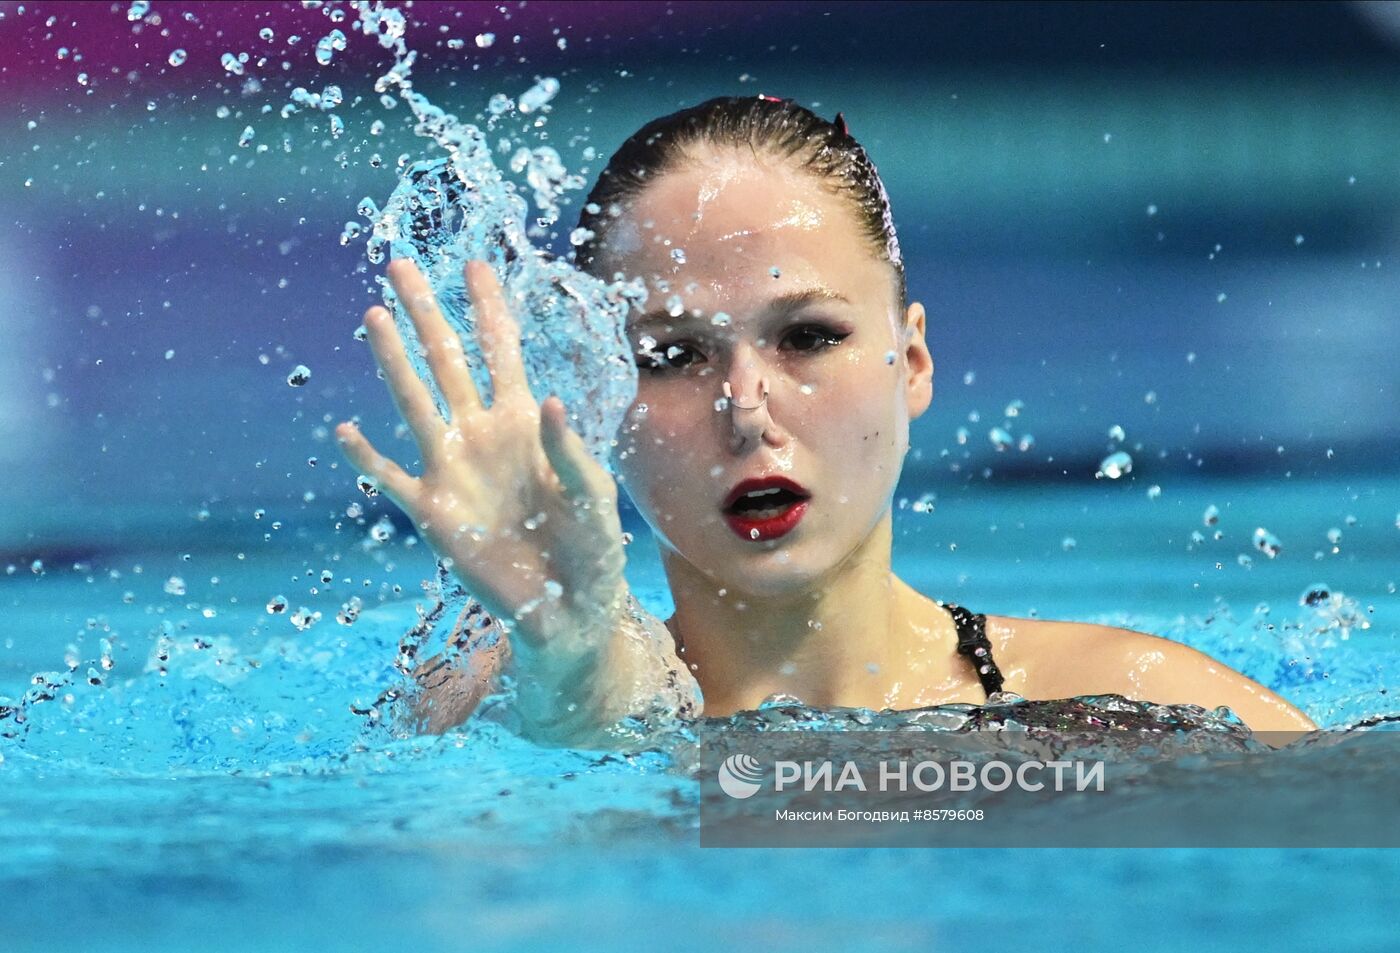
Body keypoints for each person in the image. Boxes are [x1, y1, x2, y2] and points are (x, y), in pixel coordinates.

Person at [335, 96, 1316, 747]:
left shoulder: (1135, 703)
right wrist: (574, 654)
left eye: (805, 335)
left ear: (913, 360)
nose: (745, 407)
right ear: (596, 397)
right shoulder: (501, 704)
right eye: (671, 354)